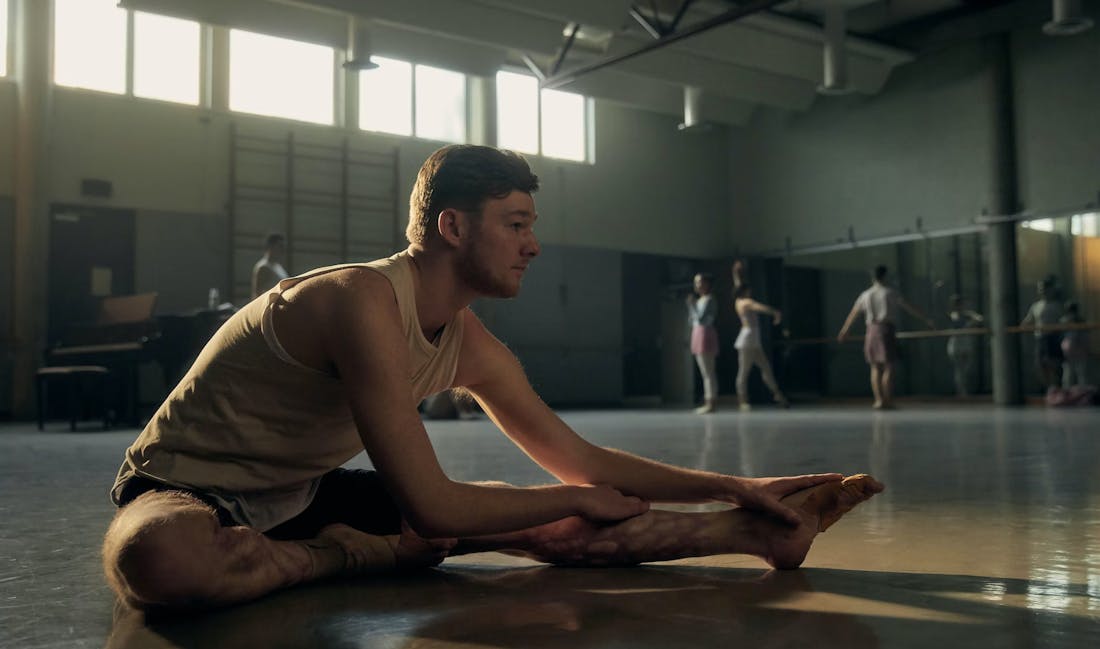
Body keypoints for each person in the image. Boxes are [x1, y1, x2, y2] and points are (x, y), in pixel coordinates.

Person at [101, 145, 883, 611]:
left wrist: (735, 487)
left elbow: (587, 464)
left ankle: (755, 536)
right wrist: (572, 495)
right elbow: (433, 503)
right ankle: (345, 557)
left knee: (534, 519)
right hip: (186, 486)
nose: (532, 245)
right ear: (452, 226)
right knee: (161, 560)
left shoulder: (470, 343)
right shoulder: (357, 300)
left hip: (303, 494)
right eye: (517, 223)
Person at [837, 265, 934, 409]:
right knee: (888, 367)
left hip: (870, 330)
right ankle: (887, 400)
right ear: (885, 276)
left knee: (875, 367)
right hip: (886, 329)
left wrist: (844, 330)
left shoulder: (866, 294)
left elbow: (854, 313)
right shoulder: (890, 293)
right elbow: (909, 307)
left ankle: (878, 400)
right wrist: (926, 319)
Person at [732, 284, 788, 411]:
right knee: (744, 371)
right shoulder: (745, 302)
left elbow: (738, 285)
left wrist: (736, 274)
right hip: (747, 341)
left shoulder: (739, 301)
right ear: (744, 291)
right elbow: (759, 307)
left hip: (753, 341)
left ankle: (778, 395)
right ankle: (742, 401)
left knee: (766, 368)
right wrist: (775, 312)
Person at [1020, 280, 1064, 390]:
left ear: (1051, 290)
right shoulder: (1036, 306)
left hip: (1053, 337)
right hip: (1040, 338)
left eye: (1044, 288)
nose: (1042, 291)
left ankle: (1056, 387)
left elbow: (1063, 321)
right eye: (1040, 289)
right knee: (1039, 364)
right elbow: (1028, 320)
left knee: (1054, 364)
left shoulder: (1057, 306)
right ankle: (1049, 387)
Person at [686, 272, 719, 414]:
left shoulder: (710, 299)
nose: (697, 285)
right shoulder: (699, 300)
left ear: (707, 284)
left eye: (700, 282)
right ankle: (709, 401)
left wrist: (691, 306)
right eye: (696, 282)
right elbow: (691, 320)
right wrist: (691, 307)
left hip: (705, 333)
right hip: (697, 333)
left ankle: (710, 402)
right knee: (704, 371)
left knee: (708, 371)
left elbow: (700, 318)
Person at [945, 294, 984, 397]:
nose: (958, 306)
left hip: (966, 343)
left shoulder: (967, 314)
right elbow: (955, 324)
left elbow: (980, 319)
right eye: (956, 304)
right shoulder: (952, 315)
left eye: (959, 304)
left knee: (966, 369)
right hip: (956, 343)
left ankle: (964, 390)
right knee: (959, 369)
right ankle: (961, 392)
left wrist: (970, 322)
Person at [251, 232, 290, 298]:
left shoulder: (278, 266)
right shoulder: (263, 267)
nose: (282, 250)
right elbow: (257, 294)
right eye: (280, 246)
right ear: (271, 246)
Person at [1060, 302, 1089, 388]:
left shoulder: (1081, 322)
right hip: (1068, 353)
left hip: (1080, 352)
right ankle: (1066, 395)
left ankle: (1083, 395)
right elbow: (1062, 337)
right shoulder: (1064, 321)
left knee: (1081, 375)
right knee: (1068, 375)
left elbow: (1085, 338)